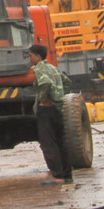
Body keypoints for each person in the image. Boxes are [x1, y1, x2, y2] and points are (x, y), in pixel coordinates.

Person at [28, 44, 73, 185]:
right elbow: (67, 82)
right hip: (57, 110)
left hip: (46, 111)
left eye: (30, 56)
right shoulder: (53, 68)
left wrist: (43, 99)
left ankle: (56, 176)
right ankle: (67, 175)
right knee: (61, 142)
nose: (29, 59)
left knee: (49, 144)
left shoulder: (39, 69)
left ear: (37, 56)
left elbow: (45, 83)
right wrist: (59, 98)